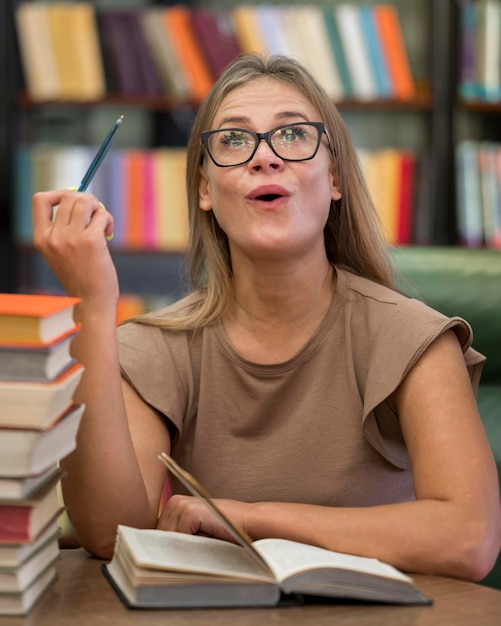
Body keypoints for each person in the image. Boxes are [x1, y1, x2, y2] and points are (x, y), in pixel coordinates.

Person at [32, 53, 500, 580]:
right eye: (233, 140)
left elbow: (469, 539)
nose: (265, 158)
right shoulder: (155, 348)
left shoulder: (412, 338)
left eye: (294, 135)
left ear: (336, 178)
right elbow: (106, 532)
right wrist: (92, 307)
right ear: (205, 189)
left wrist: (249, 519)